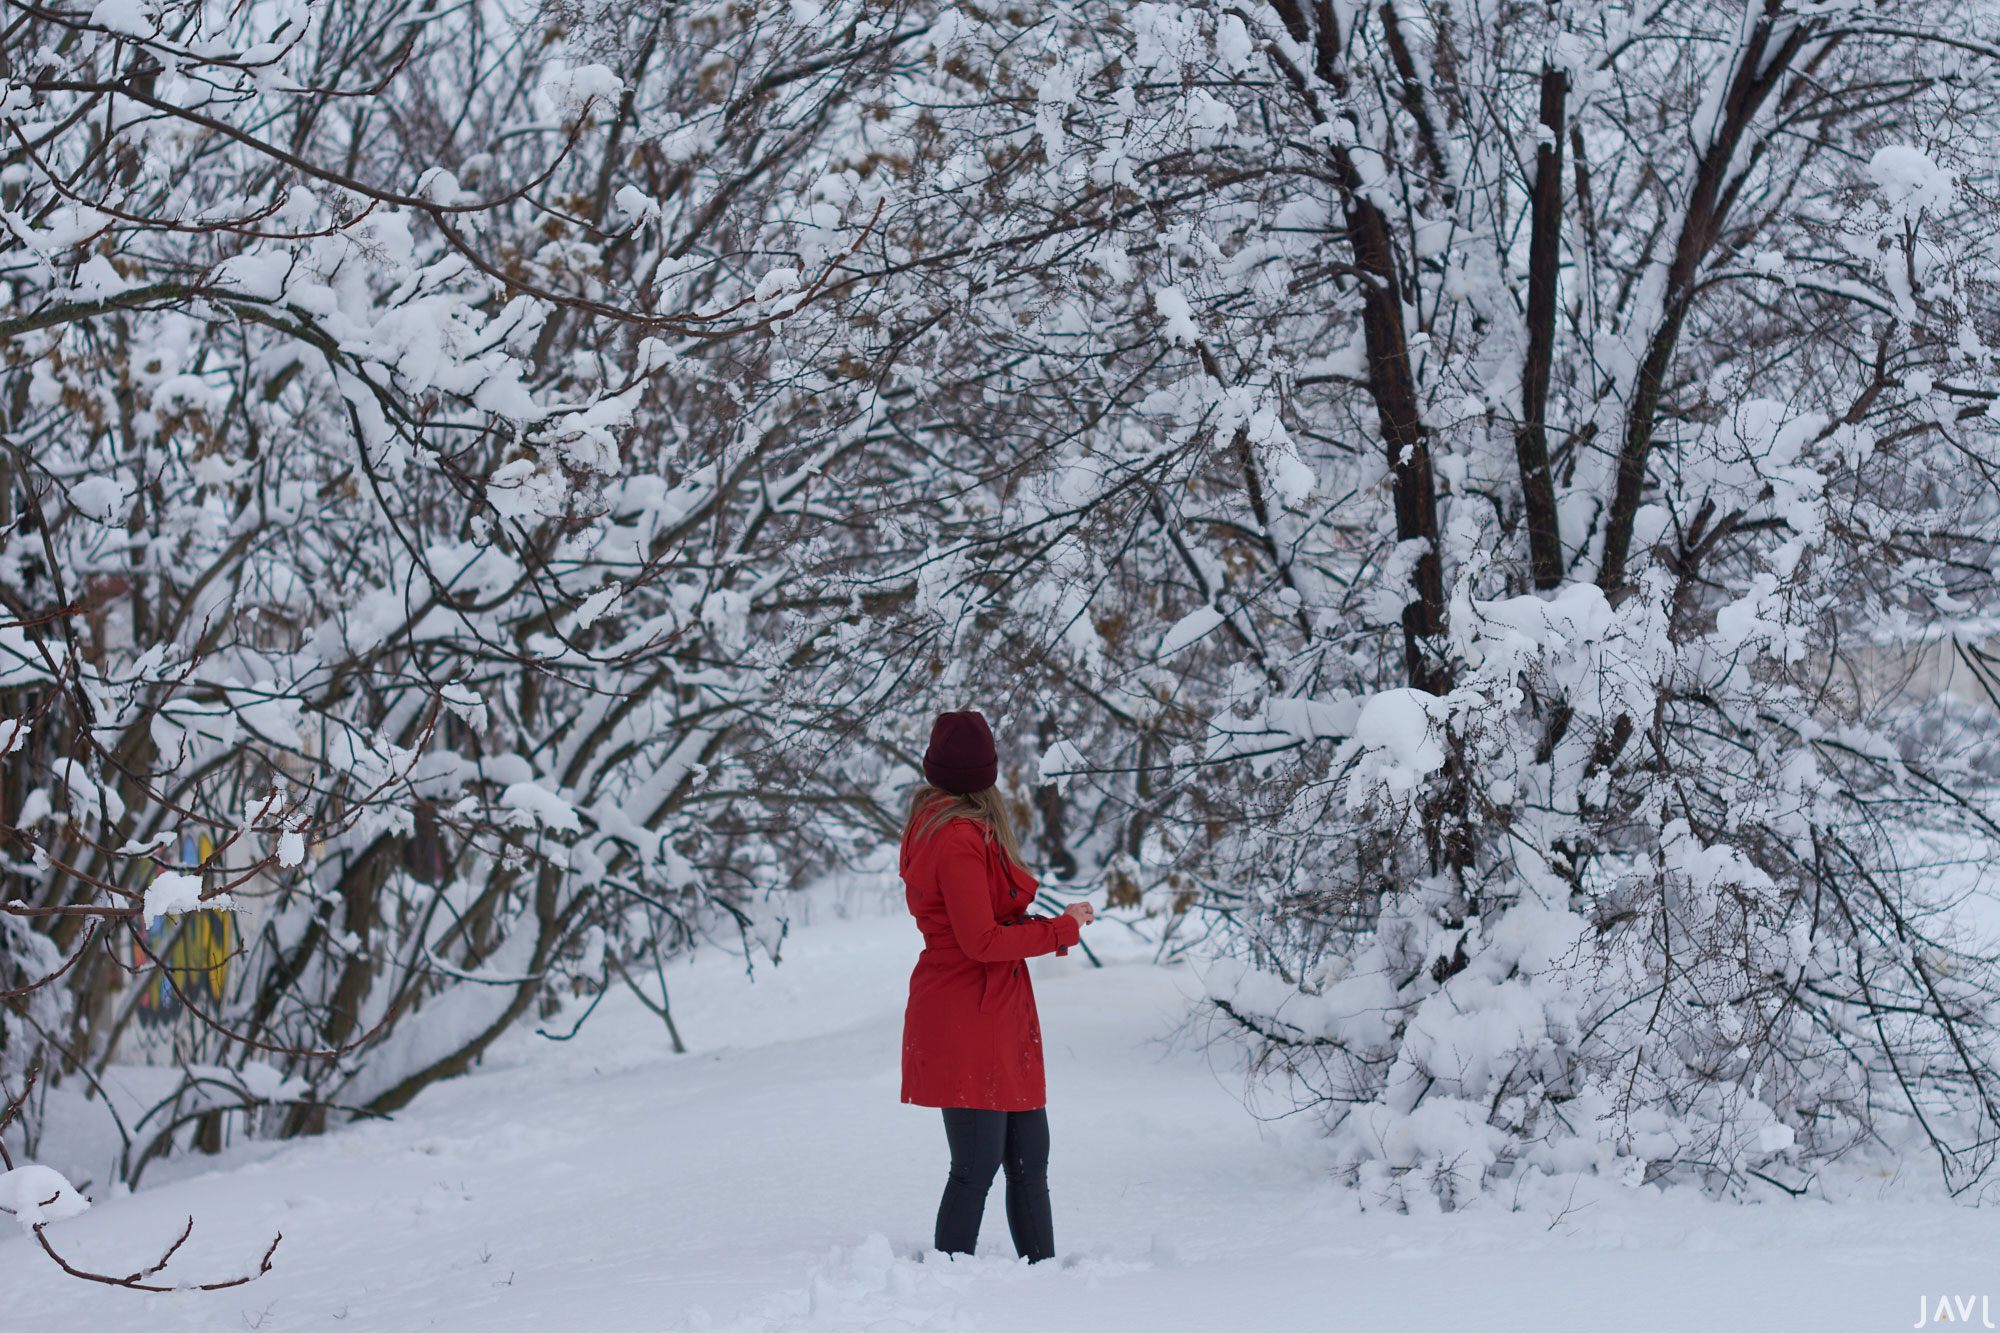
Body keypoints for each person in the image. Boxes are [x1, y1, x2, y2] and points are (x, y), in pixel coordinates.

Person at [899, 710, 1094, 1263]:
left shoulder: (949, 825)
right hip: (968, 1011)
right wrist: (1062, 930)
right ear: (986, 773)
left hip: (996, 1008)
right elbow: (980, 940)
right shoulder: (955, 837)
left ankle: (1048, 1280)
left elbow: (990, 929)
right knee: (977, 1165)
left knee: (1031, 1159)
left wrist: (1056, 927)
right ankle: (944, 1285)